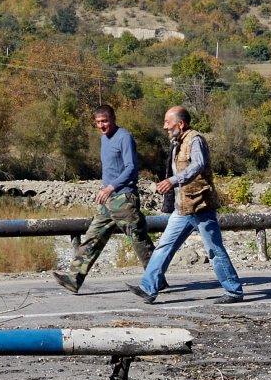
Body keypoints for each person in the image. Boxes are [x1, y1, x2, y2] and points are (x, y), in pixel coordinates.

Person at [136, 105, 246, 304]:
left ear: (180, 123)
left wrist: (173, 180)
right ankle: (148, 288)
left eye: (167, 123)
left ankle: (234, 291)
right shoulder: (177, 142)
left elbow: (198, 164)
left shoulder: (195, 140)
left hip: (200, 206)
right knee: (164, 247)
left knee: (214, 250)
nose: (164, 127)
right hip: (183, 208)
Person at [57, 105, 152, 294]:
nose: (102, 125)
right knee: (93, 236)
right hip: (109, 201)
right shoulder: (103, 139)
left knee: (138, 240)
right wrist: (104, 190)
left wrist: (111, 187)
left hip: (124, 198)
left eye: (105, 121)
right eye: (98, 122)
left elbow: (131, 168)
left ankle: (156, 278)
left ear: (114, 119)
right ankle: (74, 279)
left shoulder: (124, 137)